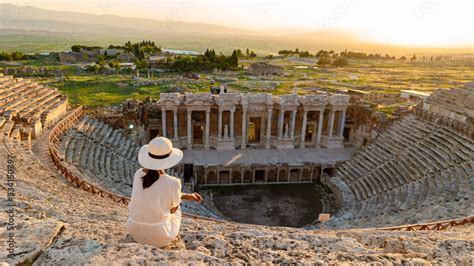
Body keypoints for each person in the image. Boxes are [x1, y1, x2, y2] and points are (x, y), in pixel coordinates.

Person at [127, 137, 202, 248]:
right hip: (159, 237)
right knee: (176, 208)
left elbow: (156, 192)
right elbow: (173, 209)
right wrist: (185, 197)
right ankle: (172, 235)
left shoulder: (138, 174)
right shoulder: (173, 182)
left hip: (135, 230)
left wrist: (188, 196)